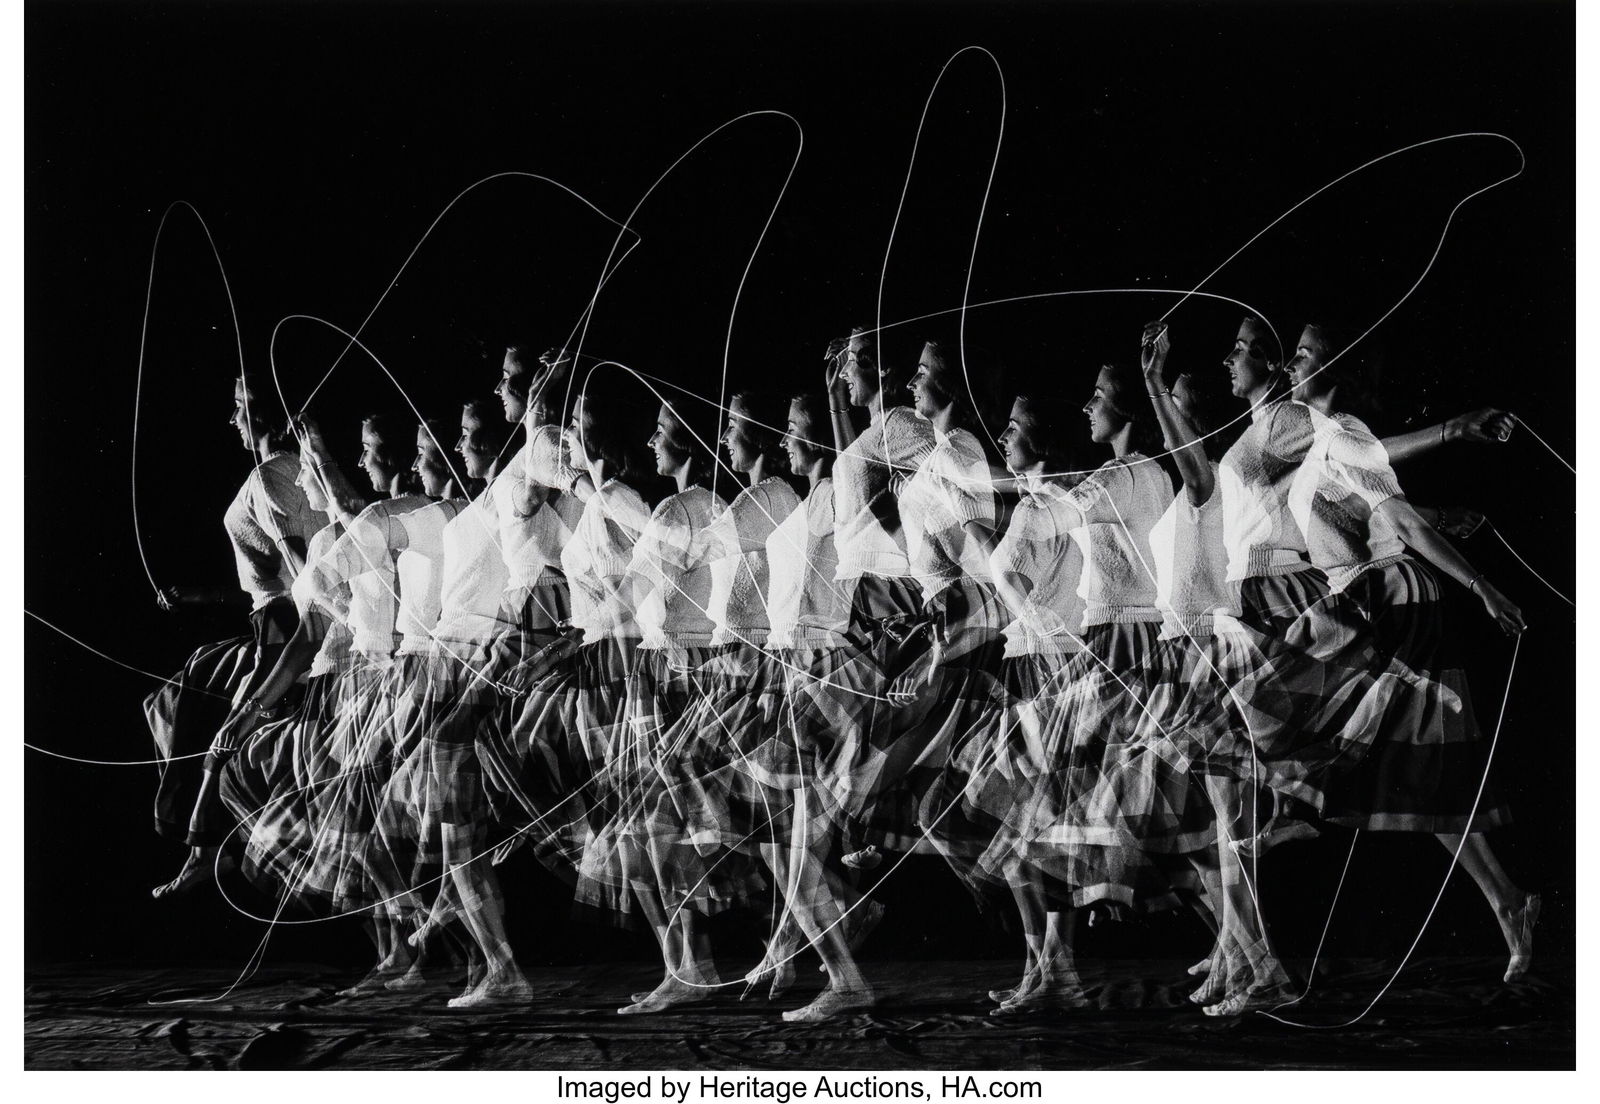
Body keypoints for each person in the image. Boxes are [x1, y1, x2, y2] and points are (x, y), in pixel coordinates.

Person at [1284, 320, 1539, 984]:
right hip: (1368, 604)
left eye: (1305, 354)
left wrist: (1484, 587)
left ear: (1335, 366)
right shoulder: (1331, 440)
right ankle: (1510, 901)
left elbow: (1391, 517)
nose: (1291, 363)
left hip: (1391, 607)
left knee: (1371, 752)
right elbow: (1375, 486)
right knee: (1418, 772)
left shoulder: (1341, 432)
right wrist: (1443, 460)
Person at [147, 371, 322, 899]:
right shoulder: (299, 470)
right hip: (269, 619)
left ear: (262, 413)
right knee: (180, 689)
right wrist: (200, 598)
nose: (232, 419)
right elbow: (266, 579)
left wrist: (325, 614)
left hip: (286, 626)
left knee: (224, 739)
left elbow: (299, 569)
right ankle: (203, 845)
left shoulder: (270, 478)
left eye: (239, 407)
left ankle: (204, 852)